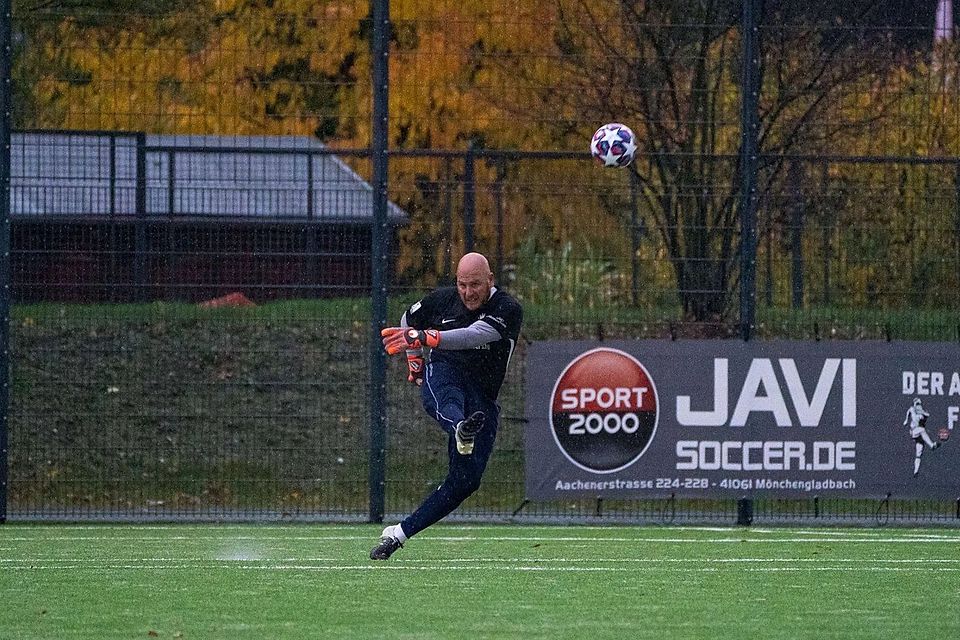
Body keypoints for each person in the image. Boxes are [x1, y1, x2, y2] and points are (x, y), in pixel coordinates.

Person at [370, 252, 522, 560]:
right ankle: (459, 429)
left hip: (482, 399)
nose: (468, 292)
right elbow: (408, 320)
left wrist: (426, 337)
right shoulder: (442, 300)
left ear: (490, 280)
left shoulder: (508, 308)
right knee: (444, 392)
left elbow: (473, 335)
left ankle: (398, 534)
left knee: (466, 482)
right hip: (446, 374)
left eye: (476, 285)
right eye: (462, 285)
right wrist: (414, 359)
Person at [904, 398, 940, 477]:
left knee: (918, 454)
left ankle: (916, 471)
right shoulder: (912, 409)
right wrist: (906, 420)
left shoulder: (922, 413)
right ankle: (931, 445)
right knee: (922, 430)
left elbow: (927, 415)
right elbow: (908, 412)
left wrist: (922, 413)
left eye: (918, 404)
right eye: (916, 404)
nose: (917, 405)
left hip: (920, 436)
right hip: (914, 431)